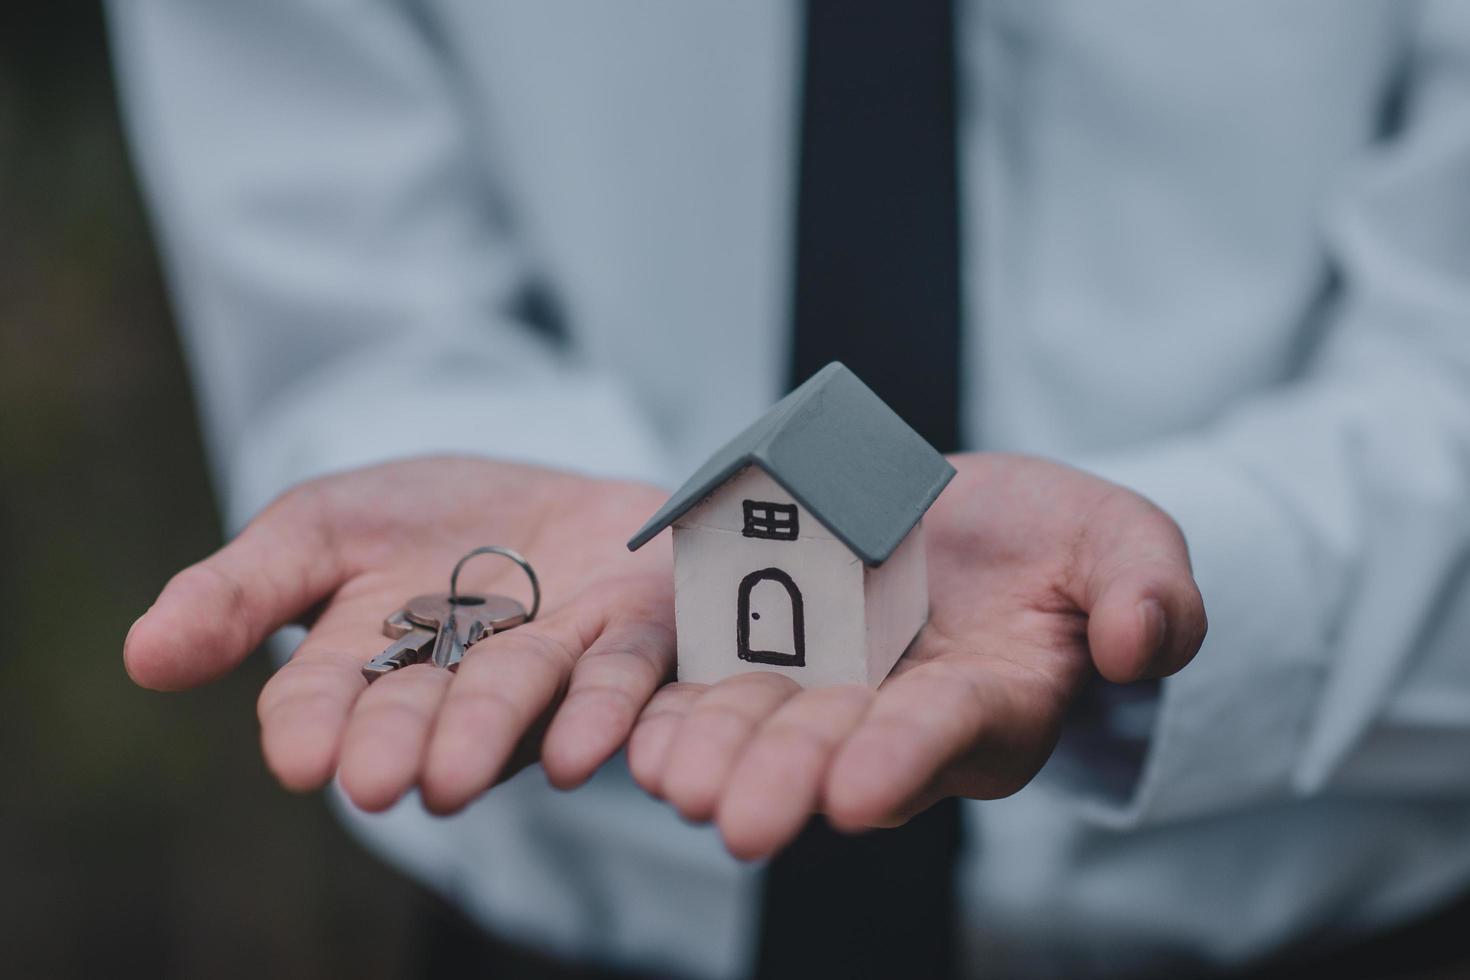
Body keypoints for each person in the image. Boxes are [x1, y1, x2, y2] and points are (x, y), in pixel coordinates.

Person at [108, 2, 1470, 978]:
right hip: (556, 928)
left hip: (1346, 922)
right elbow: (360, 302)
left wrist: (1175, 577)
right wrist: (543, 513)